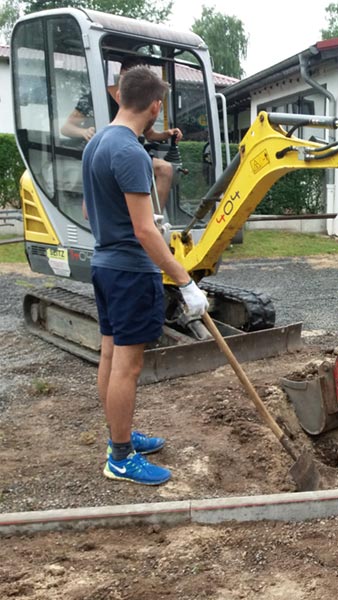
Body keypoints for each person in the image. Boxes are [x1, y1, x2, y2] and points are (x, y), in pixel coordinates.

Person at [82, 65, 209, 485]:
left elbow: (89, 210)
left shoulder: (98, 142)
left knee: (109, 355)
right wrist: (185, 281)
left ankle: (118, 434)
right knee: (128, 367)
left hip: (103, 265)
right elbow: (144, 230)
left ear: (120, 96)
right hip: (130, 271)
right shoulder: (131, 153)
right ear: (156, 106)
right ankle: (120, 456)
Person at [63, 56, 182, 210]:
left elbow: (148, 133)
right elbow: (66, 127)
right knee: (164, 169)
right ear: (122, 76)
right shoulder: (96, 97)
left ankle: (153, 216)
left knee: (163, 169)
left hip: (131, 150)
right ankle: (151, 220)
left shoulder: (140, 101)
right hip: (111, 153)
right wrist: (84, 131)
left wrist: (167, 134)